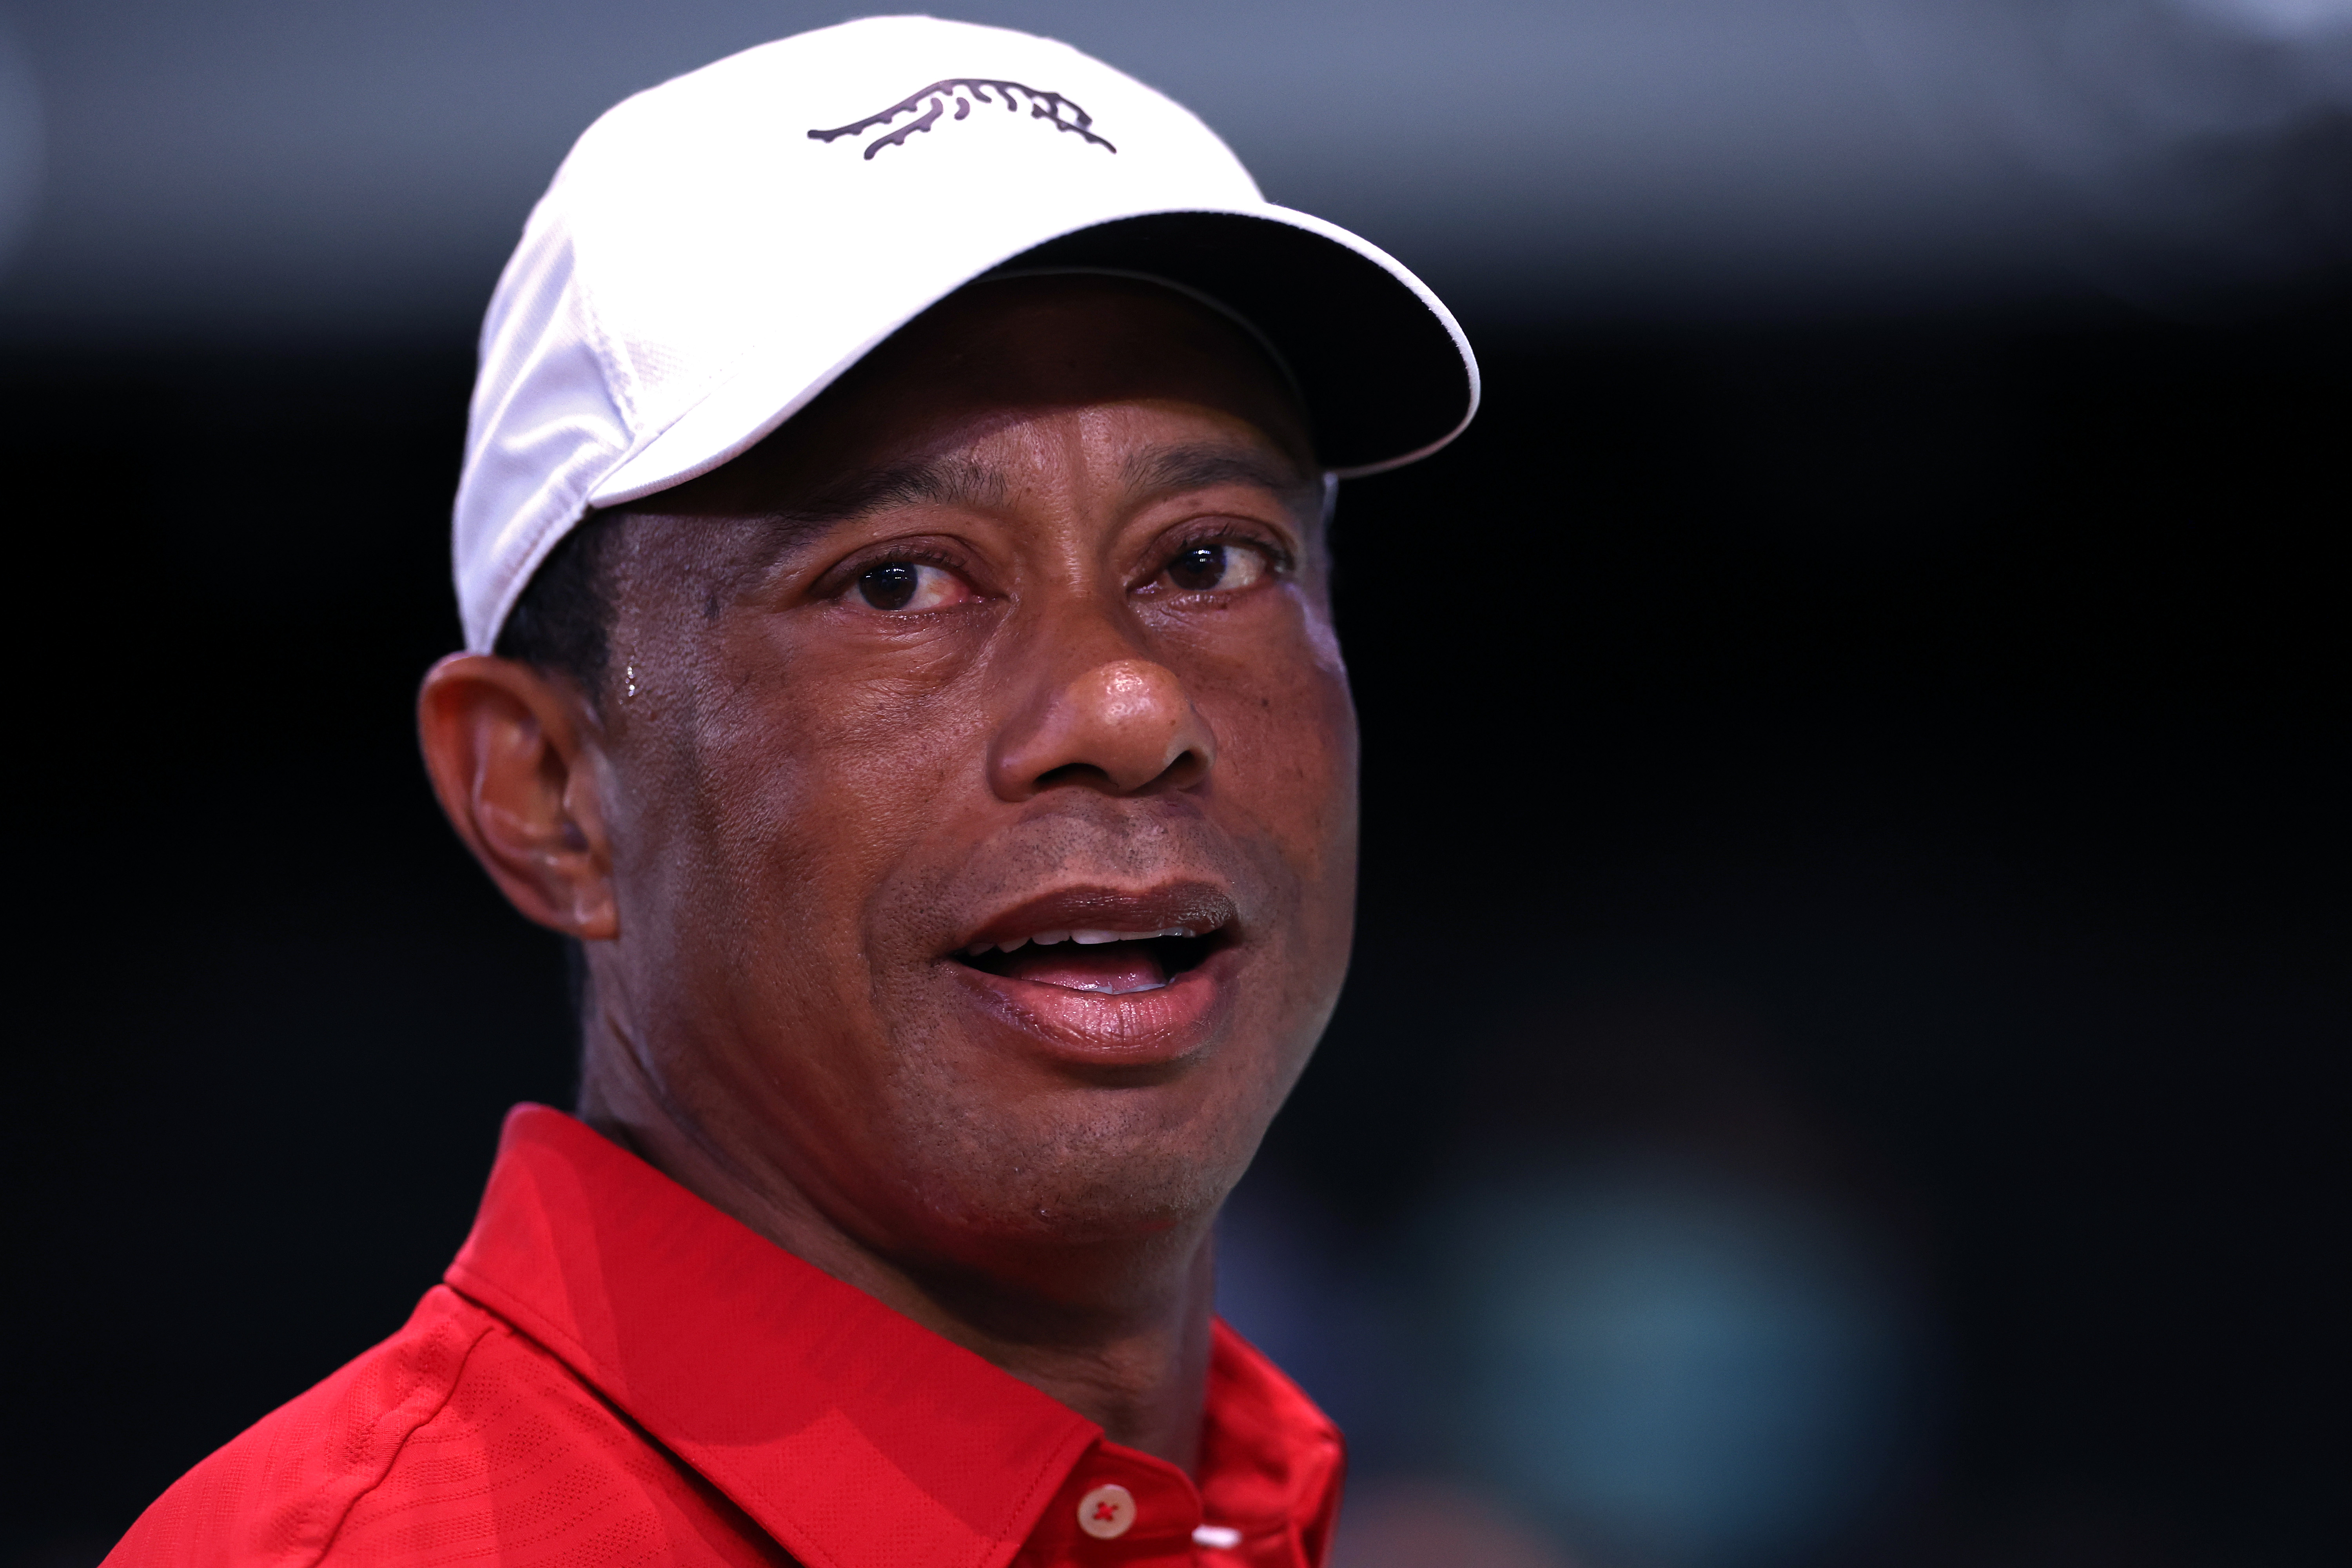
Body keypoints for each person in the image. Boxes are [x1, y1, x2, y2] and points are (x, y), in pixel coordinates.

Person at [106, 16, 1475, 1567]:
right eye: (898, 581)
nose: (1126, 703)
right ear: (547, 791)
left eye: (1211, 558)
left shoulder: (1264, 1512)